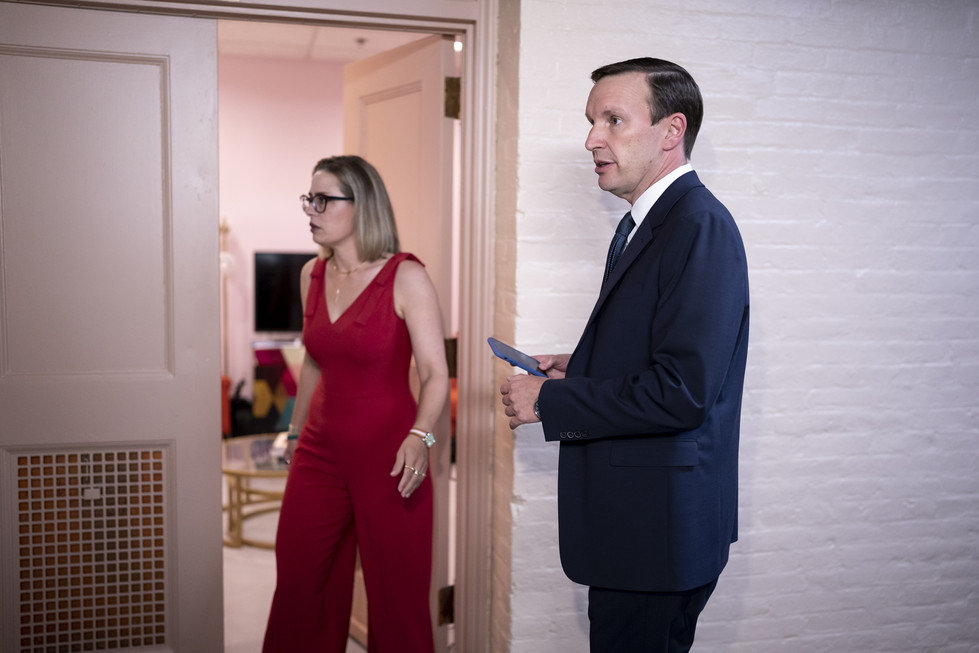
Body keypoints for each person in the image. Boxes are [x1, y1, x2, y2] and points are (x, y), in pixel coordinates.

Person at [499, 58, 749, 652]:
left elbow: (682, 393)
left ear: (671, 131)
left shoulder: (698, 226)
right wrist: (579, 367)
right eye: (592, 121)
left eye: (614, 119)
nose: (592, 139)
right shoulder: (653, 223)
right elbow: (659, 355)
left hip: (655, 536)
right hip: (640, 530)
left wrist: (552, 400)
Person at [263, 155, 448, 653]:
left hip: (391, 458)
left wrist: (421, 436)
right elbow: (315, 363)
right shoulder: (312, 275)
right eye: (310, 198)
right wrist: (296, 433)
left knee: (397, 599)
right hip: (320, 453)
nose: (311, 209)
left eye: (323, 200)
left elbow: (435, 374)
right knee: (301, 583)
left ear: (361, 205)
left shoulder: (405, 277)